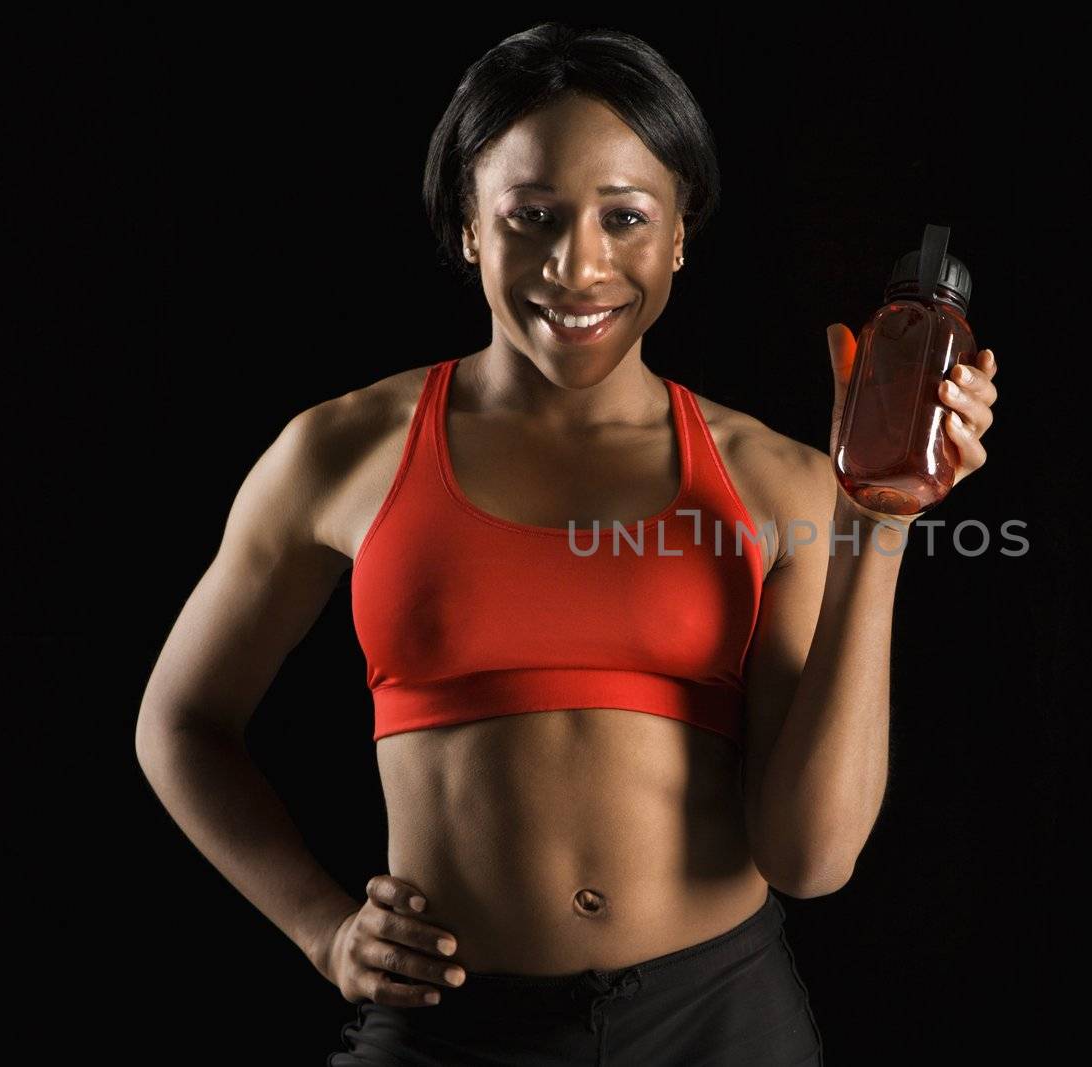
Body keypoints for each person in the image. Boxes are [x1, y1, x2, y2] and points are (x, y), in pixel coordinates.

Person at [134, 22, 997, 1067]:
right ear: (467, 228)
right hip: (448, 1033)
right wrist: (323, 929)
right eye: (530, 217)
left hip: (720, 1021)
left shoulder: (772, 478)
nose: (576, 265)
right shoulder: (340, 451)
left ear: (679, 233)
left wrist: (876, 523)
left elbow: (810, 859)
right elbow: (179, 723)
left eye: (624, 218)